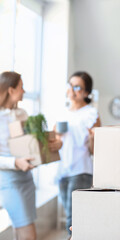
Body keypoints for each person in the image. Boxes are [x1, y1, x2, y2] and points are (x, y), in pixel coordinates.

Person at [0, 71, 62, 240]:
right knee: (29, 234)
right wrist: (15, 162)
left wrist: (54, 145)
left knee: (20, 231)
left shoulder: (23, 114)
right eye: (21, 87)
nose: (24, 91)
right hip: (9, 181)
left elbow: (32, 146)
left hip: (27, 179)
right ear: (11, 90)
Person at [56, 71, 101, 236]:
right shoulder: (63, 113)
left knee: (73, 219)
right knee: (70, 214)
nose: (72, 90)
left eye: (77, 87)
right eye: (70, 85)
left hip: (81, 170)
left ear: (87, 92)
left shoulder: (91, 114)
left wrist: (92, 138)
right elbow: (57, 144)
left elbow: (96, 151)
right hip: (63, 170)